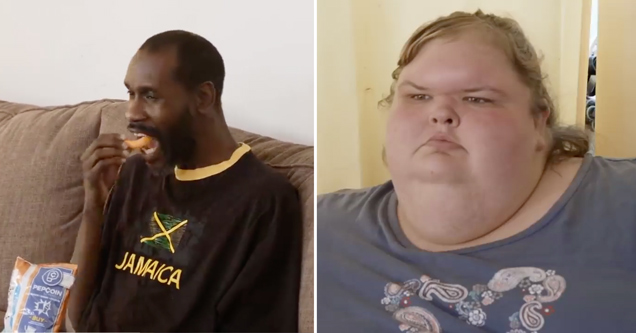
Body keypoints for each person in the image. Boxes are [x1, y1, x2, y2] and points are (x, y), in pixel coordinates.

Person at [317, 10, 636, 333]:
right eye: (418, 96)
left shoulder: (623, 206)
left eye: (476, 98)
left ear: (538, 122)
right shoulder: (322, 229)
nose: (440, 112)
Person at [67, 30, 303, 332]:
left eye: (150, 96)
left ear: (203, 97)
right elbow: (78, 314)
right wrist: (94, 205)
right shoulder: (135, 173)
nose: (132, 112)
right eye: (131, 93)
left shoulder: (263, 201)